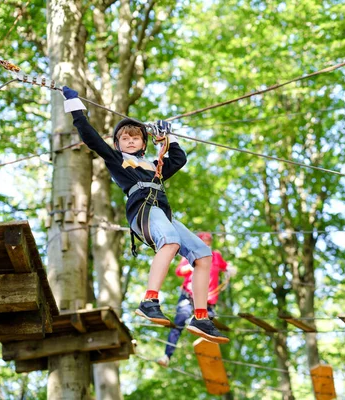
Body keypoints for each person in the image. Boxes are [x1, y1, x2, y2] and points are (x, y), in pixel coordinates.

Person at [61, 86, 228, 344]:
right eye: (125, 138)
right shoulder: (117, 160)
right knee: (170, 241)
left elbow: (179, 159)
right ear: (117, 144)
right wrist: (74, 107)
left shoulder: (154, 167)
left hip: (163, 215)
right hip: (143, 212)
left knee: (203, 254)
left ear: (143, 143)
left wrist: (167, 139)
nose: (130, 140)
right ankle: (149, 300)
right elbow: (91, 137)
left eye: (136, 137)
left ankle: (201, 316)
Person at [157, 232, 236, 367]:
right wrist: (190, 266)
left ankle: (211, 361)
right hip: (189, 295)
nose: (206, 243)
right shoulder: (191, 253)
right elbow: (179, 271)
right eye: (203, 241)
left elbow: (226, 267)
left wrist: (230, 269)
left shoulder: (215, 256)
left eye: (208, 241)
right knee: (179, 322)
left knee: (209, 327)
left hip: (207, 300)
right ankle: (167, 355)